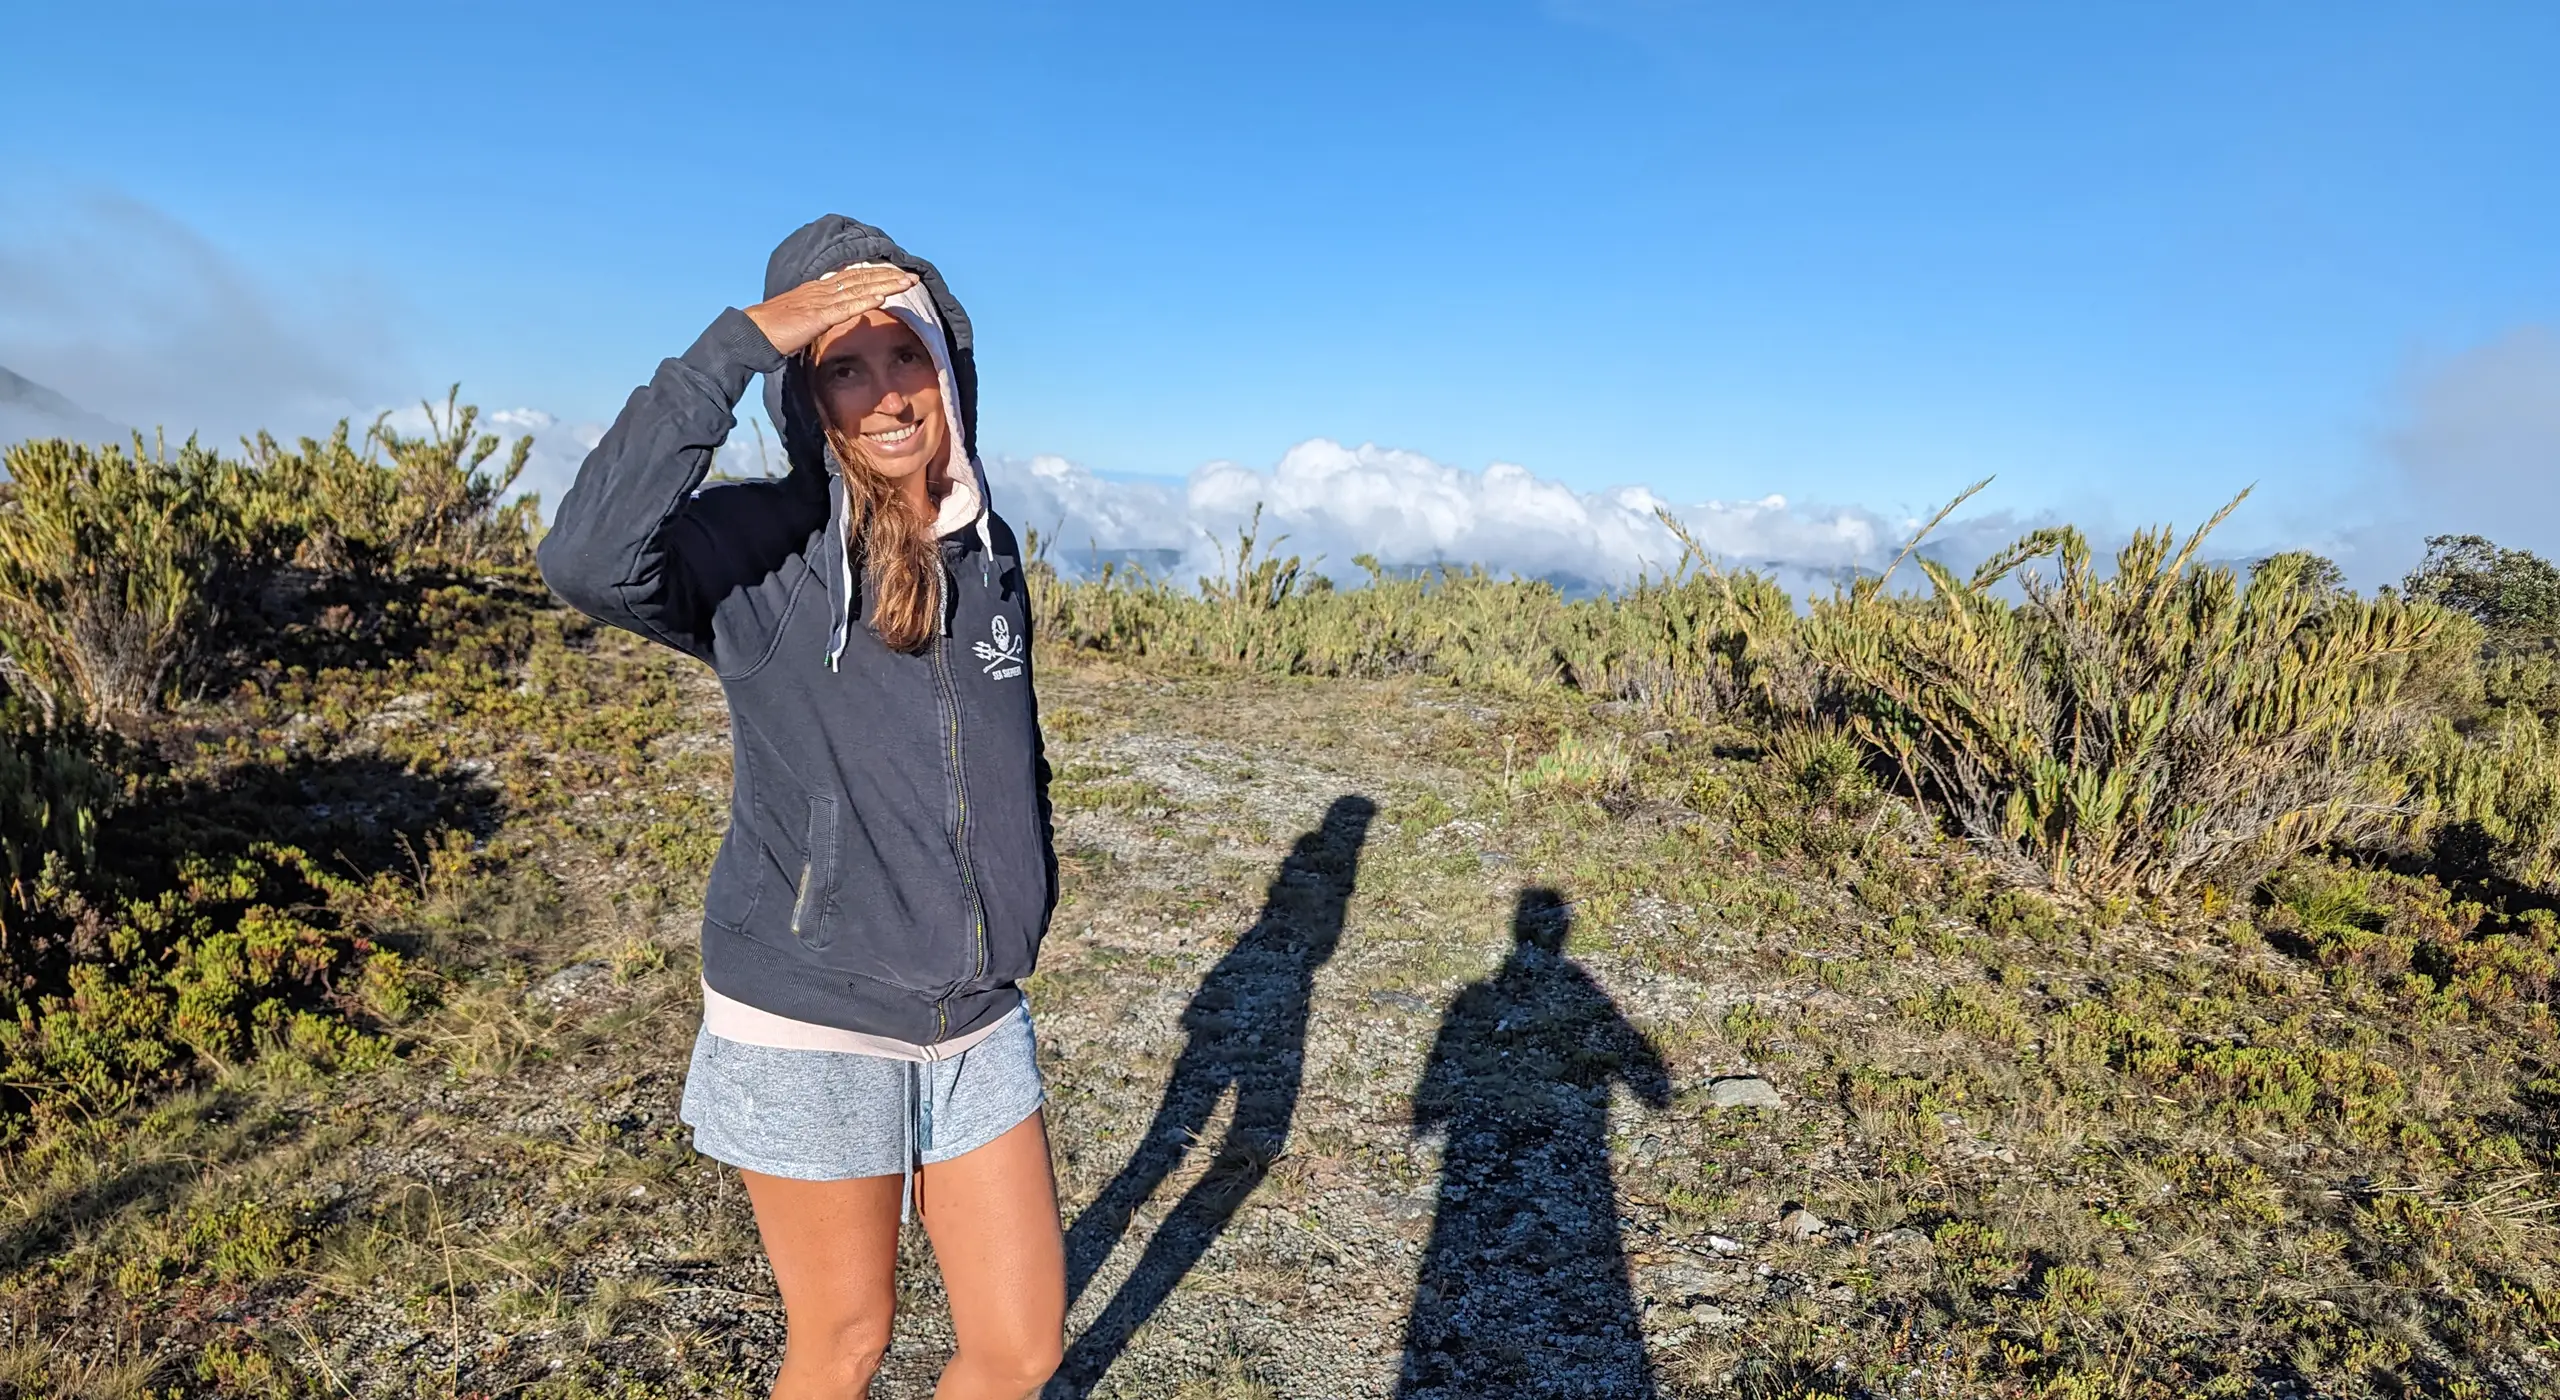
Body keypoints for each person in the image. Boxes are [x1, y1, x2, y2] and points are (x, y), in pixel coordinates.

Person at [538, 215, 1064, 1400]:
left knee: (1021, 1347)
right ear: (804, 393)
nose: (885, 395)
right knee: (843, 1345)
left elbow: (1005, 747)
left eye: (905, 355)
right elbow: (585, 559)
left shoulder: (986, 547)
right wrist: (733, 347)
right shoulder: (759, 549)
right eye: (842, 364)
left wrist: (1025, 882)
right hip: (810, 1005)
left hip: (975, 1005)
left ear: (949, 369)